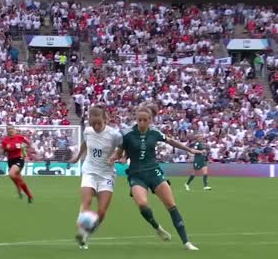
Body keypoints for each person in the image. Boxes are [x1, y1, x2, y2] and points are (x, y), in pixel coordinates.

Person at [110, 104, 200, 251]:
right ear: (136, 119)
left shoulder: (155, 133)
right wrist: (115, 158)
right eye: (139, 120)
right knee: (142, 204)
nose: (142, 123)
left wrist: (189, 149)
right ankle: (157, 227)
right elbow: (120, 152)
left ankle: (186, 242)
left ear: (150, 120)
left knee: (171, 205)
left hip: (154, 172)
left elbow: (170, 141)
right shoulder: (127, 135)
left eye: (145, 120)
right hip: (136, 174)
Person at [69, 106, 122, 249]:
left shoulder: (114, 135)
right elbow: (85, 144)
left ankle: (87, 231)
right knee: (86, 201)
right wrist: (77, 157)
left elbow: (123, 149)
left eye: (99, 123)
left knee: (102, 211)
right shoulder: (87, 131)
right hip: (89, 171)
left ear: (104, 119)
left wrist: (118, 157)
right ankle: (82, 233)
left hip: (107, 174)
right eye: (94, 124)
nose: (97, 126)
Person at [1, 125, 34, 203]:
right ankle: (29, 196)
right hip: (10, 160)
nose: (10, 130)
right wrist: (5, 149)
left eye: (11, 129)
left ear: (14, 129)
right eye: (8, 129)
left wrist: (27, 151)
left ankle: (18, 188)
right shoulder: (5, 140)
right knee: (18, 178)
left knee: (11, 174)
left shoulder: (20, 137)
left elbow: (29, 143)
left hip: (19, 159)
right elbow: (2, 152)